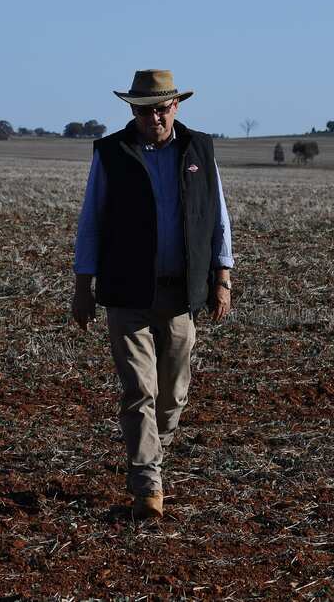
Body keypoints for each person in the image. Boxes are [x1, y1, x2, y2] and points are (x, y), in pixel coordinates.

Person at [72, 69, 233, 521]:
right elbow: (92, 222)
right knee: (139, 390)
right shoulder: (111, 153)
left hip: (182, 294)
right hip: (127, 295)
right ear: (132, 111)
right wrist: (82, 288)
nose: (154, 117)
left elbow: (218, 219)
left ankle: (149, 457)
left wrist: (223, 279)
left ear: (176, 107)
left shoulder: (200, 149)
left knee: (173, 395)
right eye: (145, 110)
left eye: (162, 108)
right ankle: (147, 484)